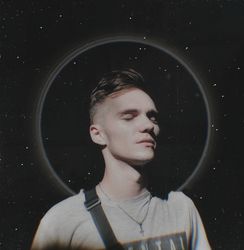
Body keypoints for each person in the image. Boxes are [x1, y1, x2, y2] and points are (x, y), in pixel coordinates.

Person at [31, 69, 211, 250]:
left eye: (152, 117)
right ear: (98, 134)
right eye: (129, 117)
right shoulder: (62, 221)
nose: (148, 125)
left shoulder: (181, 208)